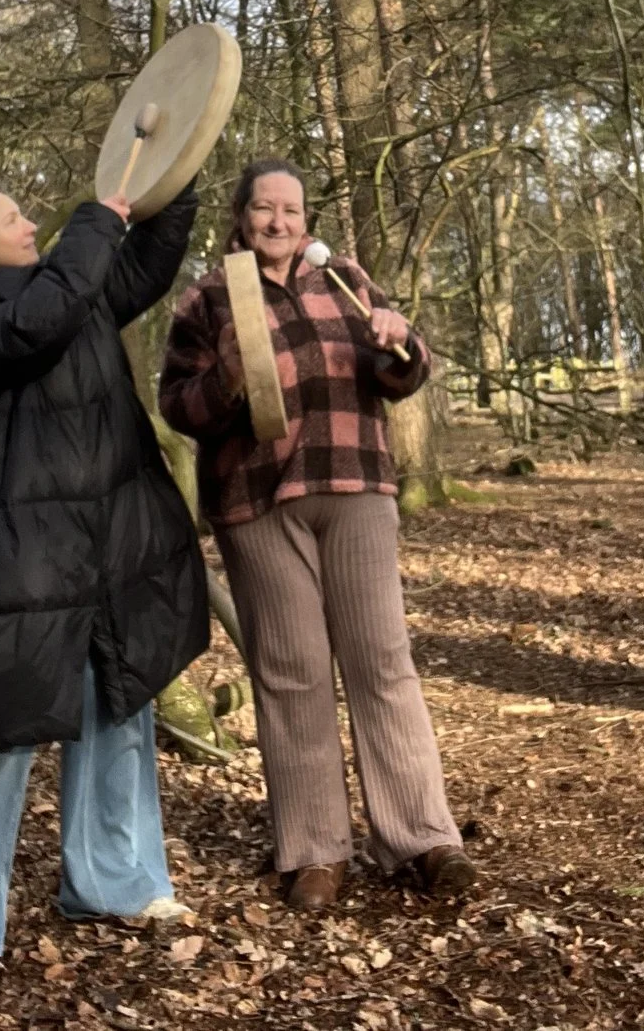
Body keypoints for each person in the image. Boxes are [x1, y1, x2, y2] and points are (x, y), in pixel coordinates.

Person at [0, 179, 207, 986]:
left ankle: (115, 881)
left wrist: (172, 184)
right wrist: (96, 219)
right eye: (14, 218)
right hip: (14, 563)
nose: (31, 223)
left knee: (119, 710)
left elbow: (140, 267)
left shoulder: (73, 294)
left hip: (103, 547)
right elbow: (39, 322)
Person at [158, 159, 476, 910]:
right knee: (292, 670)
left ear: (307, 218)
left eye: (291, 209)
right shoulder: (208, 298)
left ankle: (424, 838)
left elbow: (401, 367)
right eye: (264, 208)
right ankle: (314, 851)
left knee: (382, 659)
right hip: (257, 502)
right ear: (240, 216)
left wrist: (405, 345)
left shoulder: (346, 277)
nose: (279, 221)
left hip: (356, 485)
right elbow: (178, 405)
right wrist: (226, 382)